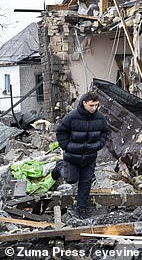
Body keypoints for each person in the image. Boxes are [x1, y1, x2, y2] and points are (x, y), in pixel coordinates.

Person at [53, 91, 110, 219]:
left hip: (90, 157)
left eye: (96, 105)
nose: (94, 108)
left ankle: (81, 209)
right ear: (84, 103)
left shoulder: (100, 118)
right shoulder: (71, 116)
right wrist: (67, 146)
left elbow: (105, 133)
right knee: (71, 179)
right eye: (91, 105)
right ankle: (59, 166)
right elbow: (60, 131)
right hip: (72, 156)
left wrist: (99, 144)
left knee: (85, 182)